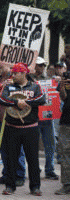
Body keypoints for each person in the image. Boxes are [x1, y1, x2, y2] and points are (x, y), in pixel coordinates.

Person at [0, 62, 46, 196]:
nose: (12, 75)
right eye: (12, 73)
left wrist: (26, 102)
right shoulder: (8, 86)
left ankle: (35, 187)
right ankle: (10, 186)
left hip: (30, 128)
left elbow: (42, 99)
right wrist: (15, 102)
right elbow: (1, 99)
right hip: (12, 128)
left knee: (32, 158)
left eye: (15, 73)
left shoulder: (35, 86)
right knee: (11, 158)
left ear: (24, 73)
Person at [0, 63, 26, 187]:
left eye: (2, 64)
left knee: (18, 149)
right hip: (2, 120)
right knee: (4, 149)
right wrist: (1, 87)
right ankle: (7, 174)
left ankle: (19, 175)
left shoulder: (18, 80)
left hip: (15, 119)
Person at [30, 57, 59, 180]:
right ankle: (35, 169)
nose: (41, 67)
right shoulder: (28, 79)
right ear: (34, 66)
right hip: (33, 117)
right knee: (32, 145)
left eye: (43, 65)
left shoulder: (49, 80)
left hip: (47, 117)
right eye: (39, 65)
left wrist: (58, 81)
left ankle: (50, 169)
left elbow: (56, 95)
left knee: (50, 144)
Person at [55, 52, 70, 195]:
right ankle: (66, 184)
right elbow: (63, 98)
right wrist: (62, 88)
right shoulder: (66, 77)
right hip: (66, 120)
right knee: (65, 153)